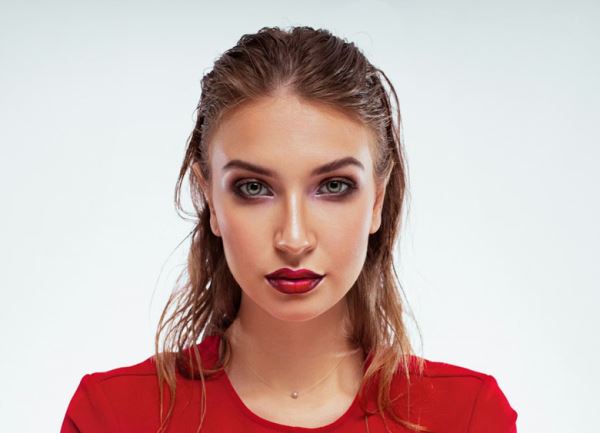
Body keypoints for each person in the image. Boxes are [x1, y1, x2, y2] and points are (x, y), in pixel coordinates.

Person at [60, 26, 518, 433]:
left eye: (334, 186)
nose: (294, 239)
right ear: (209, 199)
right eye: (254, 188)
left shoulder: (467, 416)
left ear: (377, 198)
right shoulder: (113, 416)